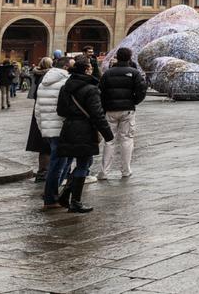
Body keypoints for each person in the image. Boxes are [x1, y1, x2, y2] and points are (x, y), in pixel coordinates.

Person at [55, 57, 114, 213]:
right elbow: (98, 115)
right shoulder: (91, 89)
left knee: (80, 163)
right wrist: (108, 134)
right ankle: (75, 202)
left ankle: (64, 195)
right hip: (85, 129)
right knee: (84, 164)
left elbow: (60, 111)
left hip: (68, 127)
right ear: (87, 70)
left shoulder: (65, 87)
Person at [97, 47, 148, 180]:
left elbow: (100, 91)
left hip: (110, 110)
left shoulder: (108, 73)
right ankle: (126, 170)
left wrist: (105, 105)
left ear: (117, 57)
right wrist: (134, 101)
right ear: (130, 57)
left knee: (109, 140)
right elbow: (142, 89)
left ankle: (104, 172)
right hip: (127, 110)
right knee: (127, 139)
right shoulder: (134, 73)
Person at [36, 58, 71, 207]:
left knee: (60, 161)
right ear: (65, 67)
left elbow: (37, 109)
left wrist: (42, 127)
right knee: (58, 164)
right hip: (61, 127)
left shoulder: (43, 82)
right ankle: (50, 197)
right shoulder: (66, 81)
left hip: (48, 127)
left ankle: (51, 191)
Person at [25, 57, 55, 182]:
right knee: (48, 145)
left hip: (38, 111)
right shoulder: (49, 78)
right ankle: (46, 172)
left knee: (42, 145)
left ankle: (42, 170)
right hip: (47, 112)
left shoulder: (37, 74)